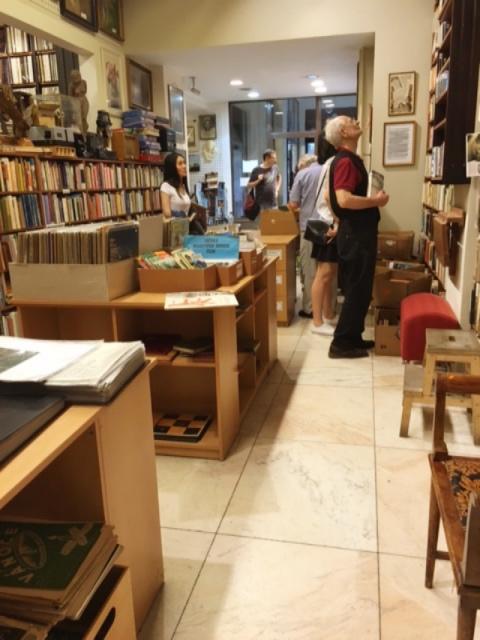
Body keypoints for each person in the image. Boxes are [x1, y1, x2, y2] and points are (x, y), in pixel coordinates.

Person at [325, 115, 389, 358]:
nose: (356, 122)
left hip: (355, 233)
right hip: (356, 235)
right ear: (343, 132)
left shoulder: (348, 160)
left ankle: (353, 337)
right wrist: (375, 201)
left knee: (360, 289)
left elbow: (331, 199)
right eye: (351, 121)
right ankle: (341, 344)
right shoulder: (345, 162)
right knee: (356, 290)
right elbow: (343, 199)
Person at [309, 136, 338, 335]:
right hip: (327, 223)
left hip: (324, 221)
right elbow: (328, 197)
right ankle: (317, 322)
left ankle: (327, 315)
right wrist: (337, 220)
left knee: (328, 273)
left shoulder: (328, 164)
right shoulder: (332, 164)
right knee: (324, 274)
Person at [288, 153, 322, 318]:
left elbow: (293, 204)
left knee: (310, 268)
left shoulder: (303, 174)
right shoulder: (327, 170)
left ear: (302, 165)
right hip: (329, 227)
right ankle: (328, 307)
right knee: (327, 269)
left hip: (309, 227)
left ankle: (310, 308)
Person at [247, 149, 282, 214]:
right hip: (261, 205)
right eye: (273, 158)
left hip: (273, 203)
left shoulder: (275, 168)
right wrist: (258, 180)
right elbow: (249, 185)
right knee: (263, 220)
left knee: (274, 220)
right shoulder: (257, 170)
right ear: (267, 158)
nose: (275, 160)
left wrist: (277, 189)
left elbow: (279, 177)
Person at [160, 152, 191, 218]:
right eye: (180, 163)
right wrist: (182, 215)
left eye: (184, 163)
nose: (184, 166)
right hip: (175, 223)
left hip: (186, 223)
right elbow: (167, 213)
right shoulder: (166, 186)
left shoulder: (183, 186)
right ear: (172, 168)